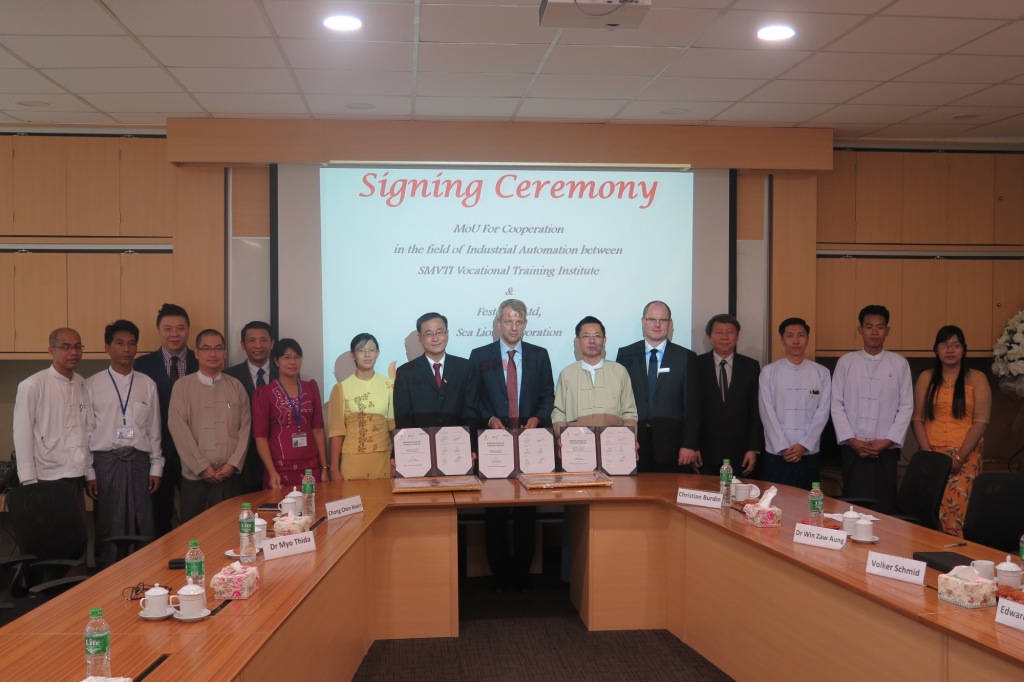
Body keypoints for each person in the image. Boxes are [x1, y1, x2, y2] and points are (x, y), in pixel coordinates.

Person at [470, 299, 554, 591]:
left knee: (526, 510)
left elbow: (547, 394)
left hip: (529, 441)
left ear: (525, 324)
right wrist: (490, 418)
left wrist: (538, 418)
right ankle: (499, 575)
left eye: (519, 321)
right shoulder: (479, 355)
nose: (513, 326)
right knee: (493, 508)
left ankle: (521, 574)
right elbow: (474, 398)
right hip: (495, 441)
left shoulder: (539, 355)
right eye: (508, 321)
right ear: (498, 323)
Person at [85, 320, 163, 569]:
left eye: (131, 344)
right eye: (120, 343)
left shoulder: (147, 384)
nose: (126, 349)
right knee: (109, 522)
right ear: (107, 348)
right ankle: (107, 574)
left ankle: (145, 573)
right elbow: (86, 432)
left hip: (139, 461)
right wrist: (89, 473)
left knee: (143, 519)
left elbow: (154, 430)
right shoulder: (91, 384)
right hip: (105, 461)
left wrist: (156, 467)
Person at [831, 305, 913, 514]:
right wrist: (852, 440)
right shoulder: (846, 362)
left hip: (885, 450)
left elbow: (906, 406)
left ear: (888, 330)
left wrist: (887, 441)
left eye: (880, 327)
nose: (874, 332)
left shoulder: (899, 364)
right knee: (854, 508)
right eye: (869, 327)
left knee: (885, 508)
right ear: (860, 330)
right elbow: (836, 404)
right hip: (853, 449)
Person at [911, 325, 991, 537]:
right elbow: (917, 419)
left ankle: (958, 563)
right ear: (936, 349)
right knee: (930, 512)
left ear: (964, 349)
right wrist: (928, 456)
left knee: (957, 514)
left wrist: (959, 456)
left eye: (956, 345)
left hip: (966, 457)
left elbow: (981, 422)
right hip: (932, 454)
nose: (950, 350)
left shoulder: (977, 378)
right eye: (945, 345)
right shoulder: (926, 378)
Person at [167, 329, 250, 522]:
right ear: (196, 353)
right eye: (206, 349)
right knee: (194, 537)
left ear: (225, 352)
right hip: (196, 479)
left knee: (231, 536)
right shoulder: (182, 387)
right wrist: (202, 467)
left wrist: (232, 464)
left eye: (218, 348)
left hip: (230, 478)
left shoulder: (236, 386)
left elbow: (245, 429)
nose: (213, 354)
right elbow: (179, 430)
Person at [134, 303, 198, 537]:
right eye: (168, 328)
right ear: (159, 331)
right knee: (159, 516)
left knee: (195, 516)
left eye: (180, 328)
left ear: (188, 330)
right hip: (157, 452)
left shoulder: (200, 360)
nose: (174, 334)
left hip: (194, 450)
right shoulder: (142, 365)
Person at [615, 301, 699, 473]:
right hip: (633, 443)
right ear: (643, 321)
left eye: (663, 320)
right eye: (652, 319)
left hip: (673, 446)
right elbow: (617, 399)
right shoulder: (625, 354)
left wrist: (689, 444)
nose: (657, 324)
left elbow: (693, 406)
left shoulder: (686, 357)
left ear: (670, 323)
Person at [13, 328, 91, 506]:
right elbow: (22, 434)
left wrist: (88, 471)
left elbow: (86, 430)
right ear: (51, 351)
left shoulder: (82, 383)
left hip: (76, 474)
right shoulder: (32, 385)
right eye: (66, 347)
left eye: (78, 347)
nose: (73, 352)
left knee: (75, 532)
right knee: (48, 533)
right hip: (44, 477)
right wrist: (28, 481)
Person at [758, 318, 831, 490]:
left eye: (801, 335)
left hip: (808, 451)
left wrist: (804, 445)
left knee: (807, 502)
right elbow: (767, 412)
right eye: (790, 336)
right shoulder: (769, 372)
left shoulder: (822, 372)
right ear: (782, 339)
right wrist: (783, 446)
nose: (796, 341)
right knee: (776, 502)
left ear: (807, 339)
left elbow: (823, 411)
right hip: (777, 451)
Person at [252, 338, 327, 489]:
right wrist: (272, 471)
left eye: (297, 357)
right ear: (276, 361)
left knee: (314, 508)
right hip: (280, 467)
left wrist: (324, 468)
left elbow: (318, 429)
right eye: (286, 357)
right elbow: (261, 437)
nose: (292, 362)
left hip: (310, 466)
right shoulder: (265, 393)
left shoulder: (310, 388)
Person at [694, 314, 762, 478]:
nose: (724, 337)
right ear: (710, 337)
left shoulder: (751, 367)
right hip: (704, 452)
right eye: (718, 332)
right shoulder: (696, 365)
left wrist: (753, 448)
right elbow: (691, 409)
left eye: (729, 332)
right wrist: (692, 446)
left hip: (741, 453)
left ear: (737, 336)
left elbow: (756, 411)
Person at [552, 316, 638, 433]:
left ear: (604, 340)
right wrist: (561, 436)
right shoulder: (567, 374)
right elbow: (559, 413)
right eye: (586, 336)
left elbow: (629, 413)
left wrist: (630, 440)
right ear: (578, 341)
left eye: (597, 336)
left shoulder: (619, 371)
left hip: (613, 442)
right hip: (577, 443)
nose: (592, 341)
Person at [393, 312, 478, 431]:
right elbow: (404, 418)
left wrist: (471, 446)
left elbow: (471, 412)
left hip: (458, 444)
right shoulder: (405, 372)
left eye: (439, 332)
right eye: (429, 334)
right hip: (421, 446)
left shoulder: (465, 368)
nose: (435, 338)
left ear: (447, 334)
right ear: (420, 338)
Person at [327, 333, 394, 481]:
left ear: (378, 353)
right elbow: (337, 432)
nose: (367, 355)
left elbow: (393, 427)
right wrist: (334, 468)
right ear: (353, 355)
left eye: (371, 350)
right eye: (361, 350)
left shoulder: (389, 385)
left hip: (383, 459)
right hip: (352, 461)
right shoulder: (341, 388)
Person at [224, 321, 277, 493]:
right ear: (243, 345)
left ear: (272, 343)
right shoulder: (230, 376)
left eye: (263, 340)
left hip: (279, 454)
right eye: (252, 340)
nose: (258, 346)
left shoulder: (285, 372)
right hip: (244, 460)